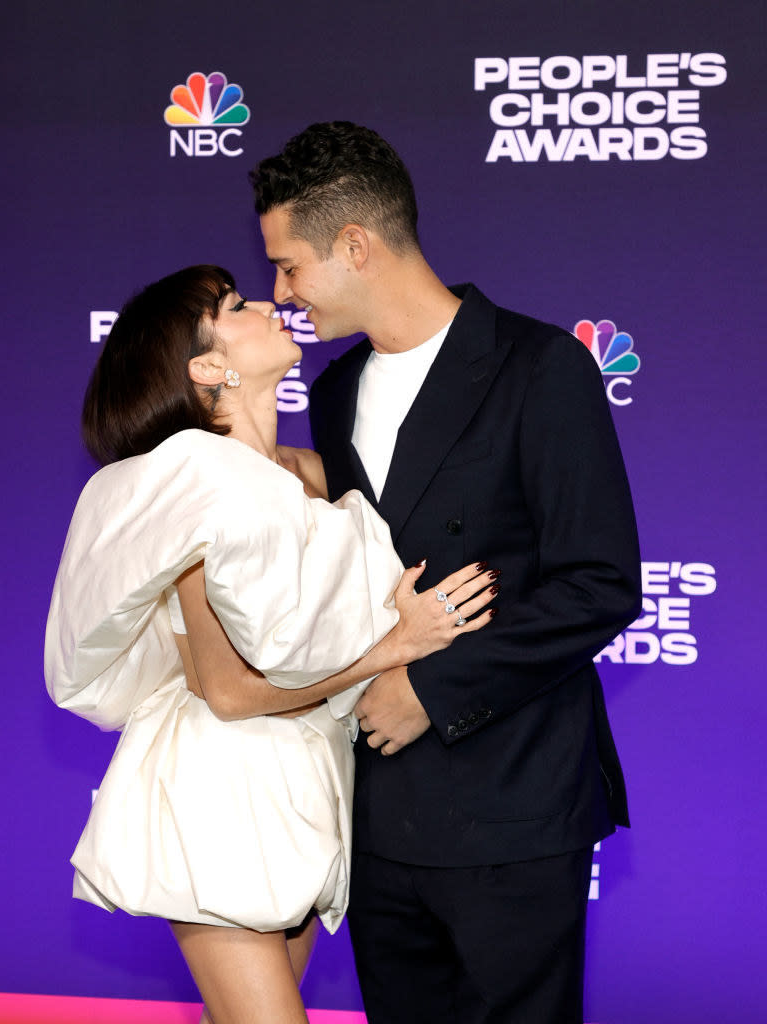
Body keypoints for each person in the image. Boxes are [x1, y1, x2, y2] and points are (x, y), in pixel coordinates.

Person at [251, 122, 642, 1024]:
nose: (282, 292)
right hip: (382, 814)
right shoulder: (335, 389)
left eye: (290, 266)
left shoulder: (539, 367)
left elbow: (599, 581)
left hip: (512, 800)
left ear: (356, 246)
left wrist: (432, 688)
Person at [44, 264, 496, 1024]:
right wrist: (394, 648)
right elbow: (227, 691)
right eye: (234, 306)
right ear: (209, 367)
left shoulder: (315, 474)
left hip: (310, 778)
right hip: (222, 786)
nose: (266, 303)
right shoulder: (192, 485)